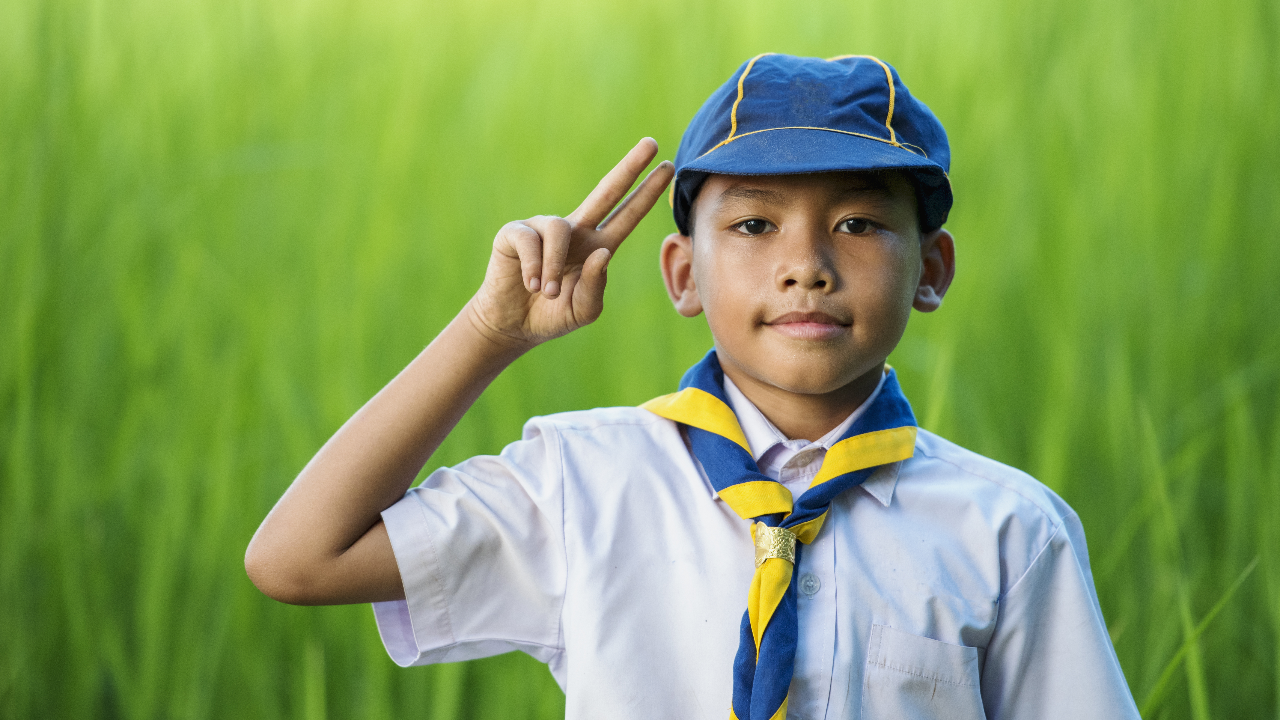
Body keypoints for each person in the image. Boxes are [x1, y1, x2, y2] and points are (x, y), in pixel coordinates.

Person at [245, 53, 1141, 719]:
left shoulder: (1010, 530)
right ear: (681, 274)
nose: (806, 266)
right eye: (755, 222)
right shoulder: (582, 484)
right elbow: (296, 559)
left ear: (932, 269)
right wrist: (489, 335)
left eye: (860, 222)